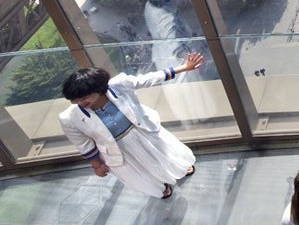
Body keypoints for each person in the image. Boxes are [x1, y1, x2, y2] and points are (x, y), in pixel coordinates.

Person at [59, 52, 204, 199]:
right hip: (118, 148)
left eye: (84, 98)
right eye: (75, 100)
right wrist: (97, 165)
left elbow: (149, 79)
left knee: (163, 153)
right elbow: (84, 145)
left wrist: (184, 68)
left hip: (140, 131)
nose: (80, 103)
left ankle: (178, 169)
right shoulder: (69, 118)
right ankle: (159, 187)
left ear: (98, 89)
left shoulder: (119, 85)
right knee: (141, 171)